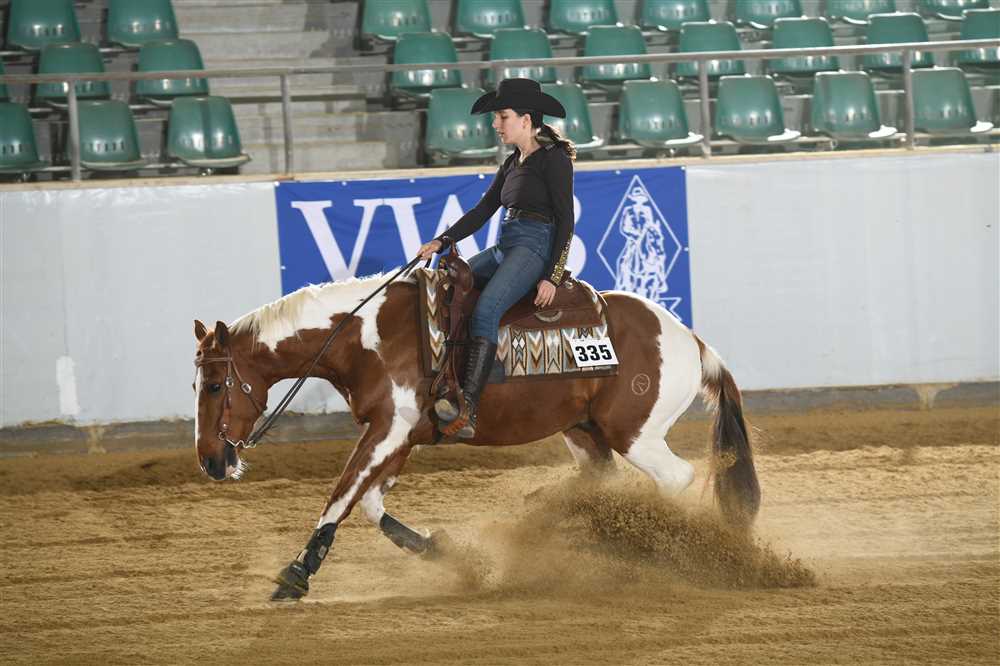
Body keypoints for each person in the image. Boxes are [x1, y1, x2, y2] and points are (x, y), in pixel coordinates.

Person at [416, 78, 577, 439]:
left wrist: (552, 276)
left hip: (534, 249)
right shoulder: (512, 162)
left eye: (502, 116)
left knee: (487, 309)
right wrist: (442, 241)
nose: (495, 124)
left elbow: (566, 221)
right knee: (449, 287)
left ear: (526, 119)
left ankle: (468, 408)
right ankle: (450, 379)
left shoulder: (554, 160)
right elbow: (483, 210)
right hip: (507, 246)